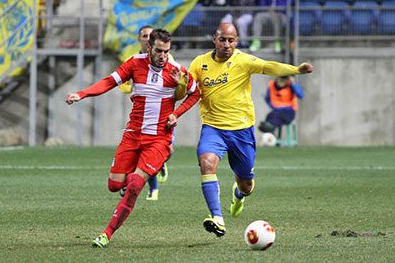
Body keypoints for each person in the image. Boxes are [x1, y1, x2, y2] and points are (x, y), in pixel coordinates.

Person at [66, 29, 200, 248]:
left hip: (159, 139)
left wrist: (177, 113)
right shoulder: (134, 63)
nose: (163, 56)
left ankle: (107, 233)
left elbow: (195, 93)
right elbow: (109, 82)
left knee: (136, 184)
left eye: (166, 51)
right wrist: (82, 94)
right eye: (158, 51)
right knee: (114, 185)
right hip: (133, 134)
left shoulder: (177, 70)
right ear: (149, 47)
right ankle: (136, 177)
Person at [188, 23, 313, 237]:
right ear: (214, 39)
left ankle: (238, 196)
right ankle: (217, 218)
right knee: (207, 164)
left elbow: (270, 66)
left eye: (231, 40)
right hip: (213, 128)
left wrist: (296, 70)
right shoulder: (199, 63)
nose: (227, 44)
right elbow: (187, 87)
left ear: (236, 41)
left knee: (246, 184)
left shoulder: (243, 61)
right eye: (223, 40)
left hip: (241, 131)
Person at [118, 25, 178, 201]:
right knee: (144, 155)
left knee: (166, 151)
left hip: (164, 117)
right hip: (143, 114)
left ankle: (160, 166)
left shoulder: (166, 57)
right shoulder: (134, 61)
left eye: (149, 35)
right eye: (144, 35)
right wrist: (133, 86)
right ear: (141, 39)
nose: (147, 38)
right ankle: (152, 189)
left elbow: (178, 84)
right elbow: (123, 86)